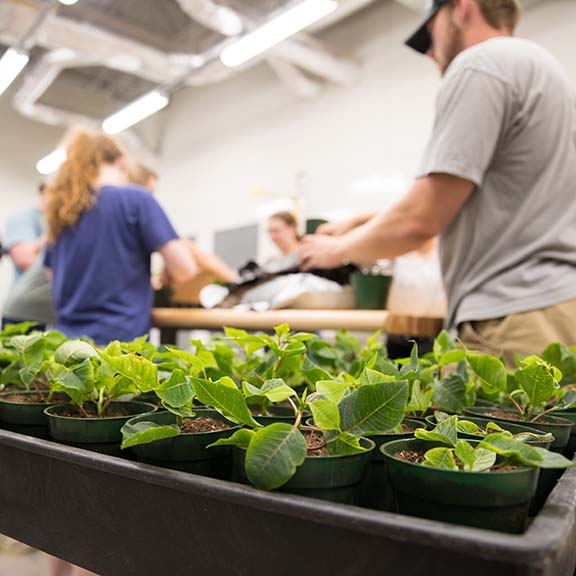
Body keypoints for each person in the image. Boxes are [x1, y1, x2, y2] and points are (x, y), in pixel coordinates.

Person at [299, 0, 576, 365]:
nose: (429, 51)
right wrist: (361, 221)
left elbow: (421, 220)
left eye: (430, 32)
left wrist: (338, 249)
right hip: (554, 310)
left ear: (461, 9)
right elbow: (476, 201)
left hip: (514, 319)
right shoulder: (542, 70)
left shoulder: (480, 64)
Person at [44, 129, 198, 346]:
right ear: (122, 162)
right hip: (117, 349)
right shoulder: (136, 199)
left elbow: (52, 277)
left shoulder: (61, 214)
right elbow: (186, 269)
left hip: (66, 346)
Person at [2, 183, 55, 329]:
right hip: (26, 313)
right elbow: (25, 261)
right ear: (44, 191)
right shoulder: (23, 218)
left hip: (53, 311)